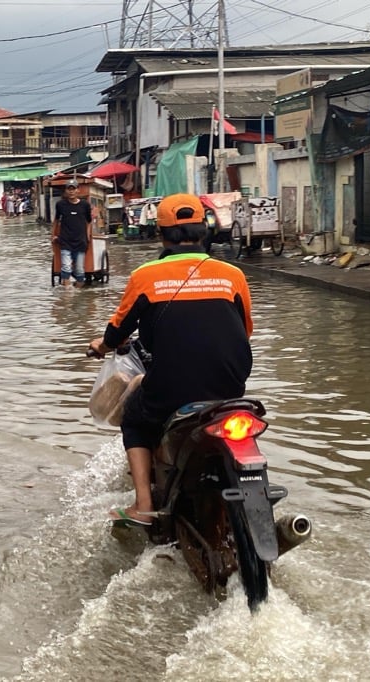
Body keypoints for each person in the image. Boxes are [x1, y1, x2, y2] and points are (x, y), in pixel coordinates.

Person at [87, 193, 254, 526]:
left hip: (171, 388)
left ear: (160, 233)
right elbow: (246, 330)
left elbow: (118, 331)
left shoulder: (146, 276)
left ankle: (143, 506)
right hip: (231, 387)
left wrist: (101, 347)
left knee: (134, 419)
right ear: (204, 230)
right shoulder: (232, 274)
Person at [52, 179, 92, 287]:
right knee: (66, 267)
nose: (71, 192)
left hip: (80, 242)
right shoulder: (60, 205)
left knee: (79, 270)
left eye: (73, 189)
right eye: (69, 189)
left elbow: (89, 221)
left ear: (78, 190)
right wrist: (53, 235)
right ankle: (67, 295)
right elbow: (56, 220)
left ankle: (79, 294)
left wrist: (87, 236)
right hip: (65, 241)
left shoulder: (85, 205)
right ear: (66, 191)